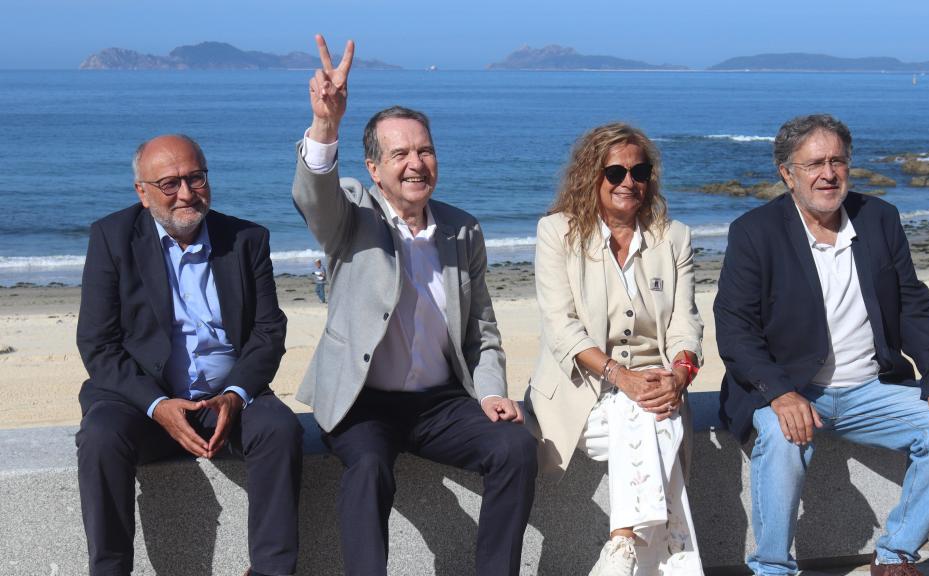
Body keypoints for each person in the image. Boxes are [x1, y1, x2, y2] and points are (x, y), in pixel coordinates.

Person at [291, 35, 537, 576]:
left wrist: (492, 390)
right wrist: (325, 124)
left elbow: (482, 328)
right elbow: (315, 197)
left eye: (424, 150)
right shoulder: (352, 214)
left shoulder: (461, 227)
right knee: (370, 467)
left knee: (516, 449)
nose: (415, 164)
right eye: (399, 153)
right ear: (374, 169)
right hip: (363, 402)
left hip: (442, 403)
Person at [715, 114, 929, 576]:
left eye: (838, 161)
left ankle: (895, 552)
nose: (828, 173)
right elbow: (735, 329)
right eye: (814, 163)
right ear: (787, 173)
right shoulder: (755, 232)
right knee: (780, 434)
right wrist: (779, 392)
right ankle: (773, 567)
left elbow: (912, 308)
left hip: (869, 390)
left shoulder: (880, 219)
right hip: (791, 387)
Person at [76, 134, 302, 576]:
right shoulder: (112, 238)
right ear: (142, 193)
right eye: (169, 184)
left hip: (226, 403)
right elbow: (98, 345)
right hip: (142, 404)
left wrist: (235, 394)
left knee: (280, 428)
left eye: (195, 178)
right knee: (100, 437)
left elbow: (268, 331)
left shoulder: (246, 239)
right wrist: (157, 406)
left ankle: (273, 571)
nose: (186, 193)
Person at [526, 123, 705, 576]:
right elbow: (560, 326)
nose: (630, 181)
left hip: (656, 387)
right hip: (581, 389)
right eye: (616, 172)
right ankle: (670, 558)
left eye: (640, 171)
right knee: (649, 418)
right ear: (592, 176)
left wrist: (678, 376)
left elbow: (687, 323)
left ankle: (622, 549)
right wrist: (622, 378)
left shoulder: (674, 236)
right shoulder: (557, 232)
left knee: (648, 413)